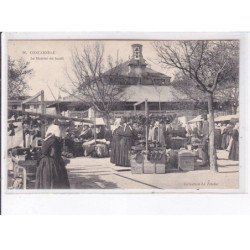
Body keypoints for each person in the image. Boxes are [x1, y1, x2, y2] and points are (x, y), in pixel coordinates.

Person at [35, 124, 70, 189]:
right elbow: (53, 154)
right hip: (50, 162)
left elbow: (45, 151)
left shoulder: (47, 139)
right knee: (55, 182)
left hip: (44, 162)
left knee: (45, 183)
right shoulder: (54, 140)